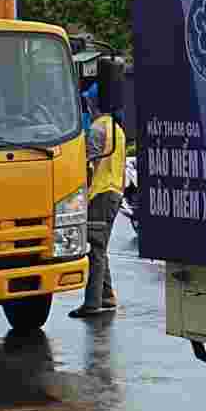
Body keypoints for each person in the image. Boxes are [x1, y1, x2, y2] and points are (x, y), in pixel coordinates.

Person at [73, 101, 126, 318]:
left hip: (100, 193)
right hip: (114, 192)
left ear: (93, 104)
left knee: (95, 248)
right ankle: (106, 295)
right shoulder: (116, 128)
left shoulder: (97, 129)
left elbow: (86, 165)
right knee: (100, 245)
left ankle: (92, 302)